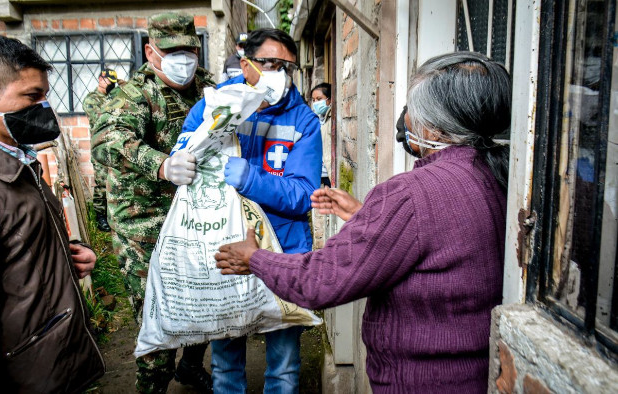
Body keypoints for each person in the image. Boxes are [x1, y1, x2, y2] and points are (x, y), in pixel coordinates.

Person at [214, 51, 510, 392]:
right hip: (474, 374)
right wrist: (366, 216)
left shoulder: (410, 194)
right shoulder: (495, 175)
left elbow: (319, 281)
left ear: (436, 126)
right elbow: (446, 236)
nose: (406, 120)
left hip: (420, 381)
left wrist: (254, 258)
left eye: (412, 109)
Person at [0, 33, 105, 393]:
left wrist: (69, 252)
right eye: (32, 96)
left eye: (44, 95)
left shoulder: (18, 160)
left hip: (53, 367)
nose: (44, 107)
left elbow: (17, 246)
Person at [180, 27, 322, 393]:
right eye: (270, 63)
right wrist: (175, 163)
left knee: (285, 365)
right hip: (225, 249)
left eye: (287, 67)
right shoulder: (214, 105)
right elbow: (185, 155)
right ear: (246, 64)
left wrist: (252, 179)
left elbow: (305, 194)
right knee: (226, 364)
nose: (280, 74)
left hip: (283, 250)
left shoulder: (303, 121)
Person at [91, 12, 215, 394]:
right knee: (157, 317)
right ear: (151, 51)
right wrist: (161, 165)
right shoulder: (132, 96)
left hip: (196, 220)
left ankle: (191, 367)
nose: (183, 58)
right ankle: (153, 385)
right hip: (143, 226)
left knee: (204, 304)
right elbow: (106, 140)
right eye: (171, 50)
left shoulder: (207, 87)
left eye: (189, 50)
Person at [83, 68, 119, 232]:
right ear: (100, 79)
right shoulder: (92, 99)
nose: (110, 85)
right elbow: (101, 119)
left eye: (113, 82)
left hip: (114, 146)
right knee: (102, 182)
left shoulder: (113, 97)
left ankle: (114, 215)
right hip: (100, 147)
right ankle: (100, 216)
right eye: (108, 81)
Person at [310, 82, 332, 187]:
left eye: (319, 99)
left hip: (329, 173)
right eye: (313, 100)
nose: (316, 103)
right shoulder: (315, 120)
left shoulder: (333, 120)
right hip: (316, 174)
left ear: (330, 99)